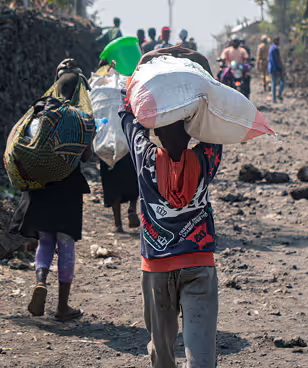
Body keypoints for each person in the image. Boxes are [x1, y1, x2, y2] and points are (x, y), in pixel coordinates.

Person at [121, 46, 222, 368]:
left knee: (161, 351)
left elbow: (127, 113)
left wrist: (143, 65)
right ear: (193, 130)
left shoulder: (144, 157)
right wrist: (196, 62)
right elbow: (216, 108)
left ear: (156, 133)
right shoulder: (208, 158)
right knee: (201, 352)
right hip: (199, 263)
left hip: (156, 267)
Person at [10, 59, 92, 321]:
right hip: (68, 187)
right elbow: (87, 156)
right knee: (65, 243)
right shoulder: (80, 118)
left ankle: (41, 282)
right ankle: (62, 306)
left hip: (40, 186)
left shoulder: (38, 110)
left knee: (45, 239)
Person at [268, 36, 285, 103]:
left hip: (271, 68)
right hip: (275, 68)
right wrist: (281, 68)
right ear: (275, 41)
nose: (279, 42)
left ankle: (274, 99)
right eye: (278, 41)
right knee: (282, 81)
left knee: (273, 83)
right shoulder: (275, 49)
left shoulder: (270, 48)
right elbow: (277, 59)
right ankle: (279, 93)